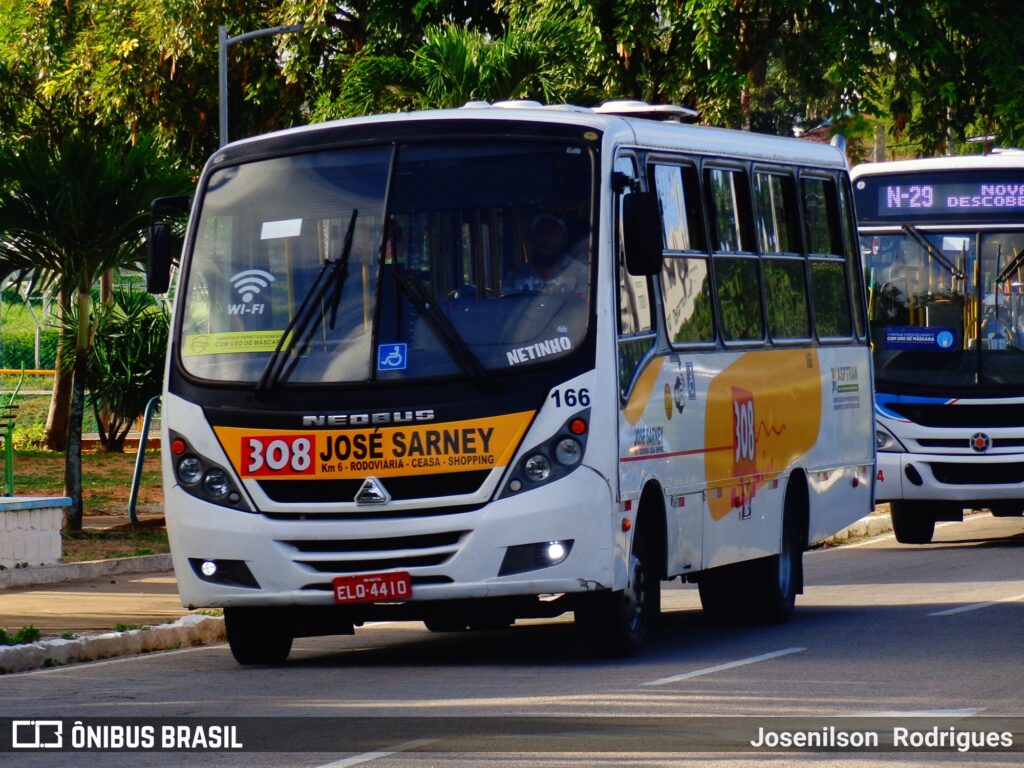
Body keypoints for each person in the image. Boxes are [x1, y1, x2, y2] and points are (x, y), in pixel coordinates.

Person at [507, 212, 588, 295]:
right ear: (532, 239)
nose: (546, 238)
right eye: (540, 232)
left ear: (564, 239)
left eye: (552, 232)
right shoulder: (515, 276)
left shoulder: (581, 274)